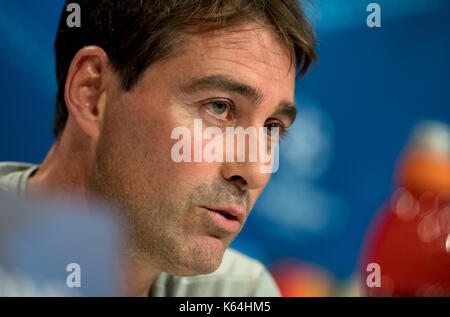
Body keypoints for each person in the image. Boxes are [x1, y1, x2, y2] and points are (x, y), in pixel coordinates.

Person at [0, 0, 316, 296]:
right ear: (93, 93)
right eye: (219, 107)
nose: (256, 171)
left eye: (272, 128)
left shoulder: (239, 290)